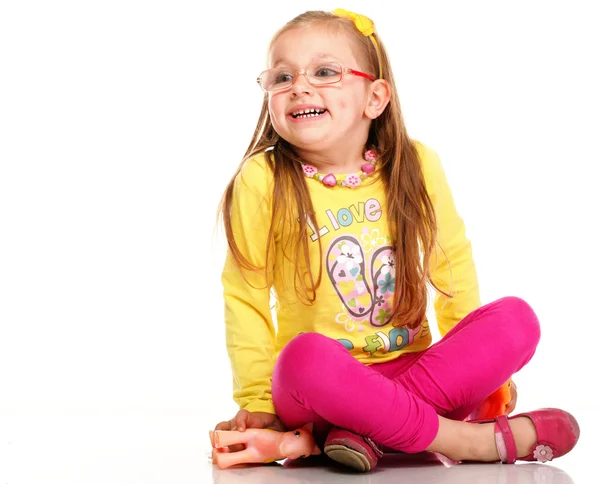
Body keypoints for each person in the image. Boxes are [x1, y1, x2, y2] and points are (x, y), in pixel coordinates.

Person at [213, 8, 579, 473]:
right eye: (282, 76)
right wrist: (258, 400)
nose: (299, 86)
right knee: (304, 356)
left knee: (516, 320)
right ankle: (466, 440)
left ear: (375, 96)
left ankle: (367, 433)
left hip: (417, 370)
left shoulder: (416, 163)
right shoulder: (262, 178)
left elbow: (451, 262)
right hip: (325, 392)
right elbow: (244, 295)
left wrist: (478, 366)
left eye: (325, 72)